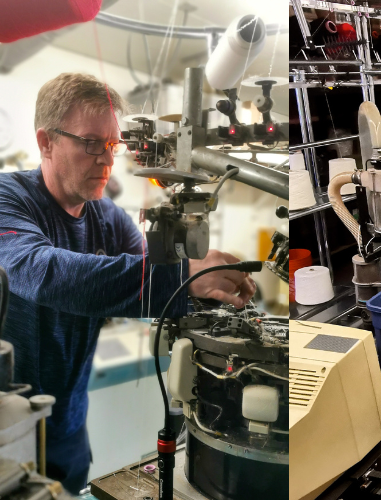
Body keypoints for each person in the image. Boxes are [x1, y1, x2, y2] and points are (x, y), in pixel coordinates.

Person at [0, 73, 256, 493]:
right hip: (6, 425)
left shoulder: (107, 218)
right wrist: (182, 275)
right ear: (46, 142)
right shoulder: (8, 199)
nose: (106, 159)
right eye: (90, 143)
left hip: (66, 427)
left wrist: (213, 291)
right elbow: (40, 273)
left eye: (113, 144)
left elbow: (155, 283)